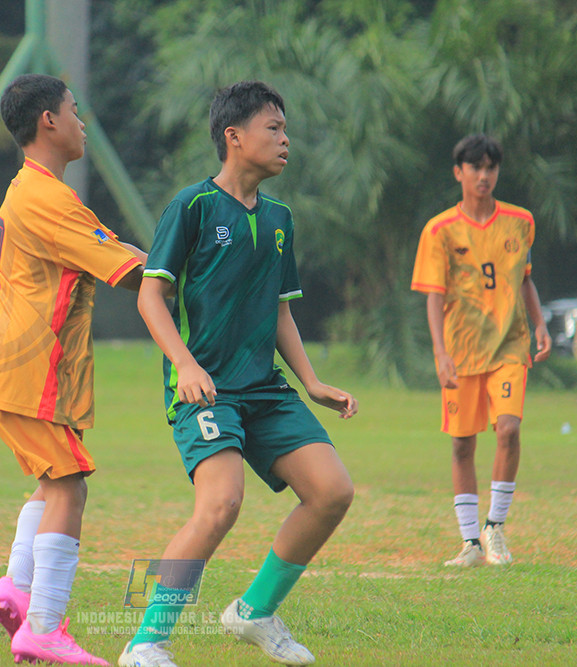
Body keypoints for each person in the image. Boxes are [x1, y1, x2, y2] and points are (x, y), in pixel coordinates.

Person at [118, 81, 357, 667]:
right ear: (234, 136)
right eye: (273, 128)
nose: (285, 139)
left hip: (264, 388)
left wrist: (311, 382)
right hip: (205, 391)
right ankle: (144, 641)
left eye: (285, 129)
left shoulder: (279, 218)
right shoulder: (192, 207)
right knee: (221, 505)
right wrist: (186, 364)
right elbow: (151, 298)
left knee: (332, 492)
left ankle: (254, 612)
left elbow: (279, 310)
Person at [0, 73, 146, 666]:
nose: (81, 122)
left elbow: (116, 252)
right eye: (74, 110)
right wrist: (205, 275)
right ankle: (43, 626)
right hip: (23, 367)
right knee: (70, 484)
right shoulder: (47, 198)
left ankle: (17, 589)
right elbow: (131, 271)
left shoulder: (34, 191)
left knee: (51, 479)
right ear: (48, 121)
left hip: (2, 363)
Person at [410, 134, 552, 568]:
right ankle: (471, 543)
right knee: (462, 444)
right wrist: (440, 353)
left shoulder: (520, 221)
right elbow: (434, 296)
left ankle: (495, 527)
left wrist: (540, 322)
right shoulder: (439, 230)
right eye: (475, 167)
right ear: (459, 173)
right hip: (462, 350)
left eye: (491, 167)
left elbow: (524, 278)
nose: (484, 175)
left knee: (508, 429)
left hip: (510, 344)